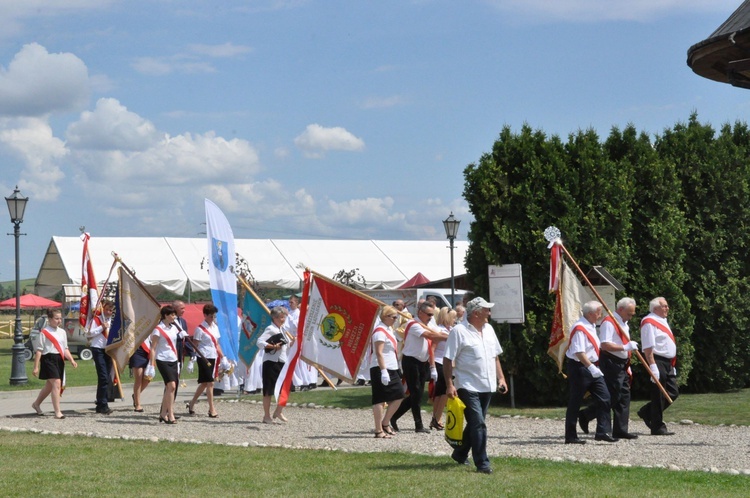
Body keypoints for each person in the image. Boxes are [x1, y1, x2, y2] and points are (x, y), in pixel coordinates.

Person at [443, 297, 506, 474]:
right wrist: (449, 384)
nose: (490, 313)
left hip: (487, 384)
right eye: (487, 310)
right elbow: (448, 359)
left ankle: (460, 453)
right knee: (478, 424)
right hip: (467, 385)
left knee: (475, 424)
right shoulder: (459, 331)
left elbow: (495, 356)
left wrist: (501, 378)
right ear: (477, 312)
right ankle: (482, 463)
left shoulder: (489, 329)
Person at [578, 297, 639, 439]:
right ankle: (587, 414)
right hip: (611, 362)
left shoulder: (624, 323)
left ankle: (620, 429)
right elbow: (604, 345)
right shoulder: (609, 322)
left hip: (622, 363)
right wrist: (625, 347)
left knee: (624, 396)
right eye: (629, 313)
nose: (631, 316)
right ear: (621, 309)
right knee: (613, 395)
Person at [390, 301, 448, 433]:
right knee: (415, 392)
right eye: (428, 314)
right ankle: (418, 425)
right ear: (420, 313)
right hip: (411, 361)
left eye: (432, 315)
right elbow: (431, 335)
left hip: (423, 362)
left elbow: (437, 332)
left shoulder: (428, 324)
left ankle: (393, 416)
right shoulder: (413, 324)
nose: (430, 317)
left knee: (418, 394)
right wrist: (449, 337)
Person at [564, 301, 617, 444]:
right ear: (590, 313)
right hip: (580, 367)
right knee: (575, 401)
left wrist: (594, 367)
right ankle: (570, 436)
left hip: (592, 366)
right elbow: (579, 352)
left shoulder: (591, 326)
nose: (600, 315)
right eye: (598, 312)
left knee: (605, 398)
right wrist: (591, 367)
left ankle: (602, 431)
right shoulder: (580, 328)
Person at [637, 297, 680, 436]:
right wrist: (652, 366)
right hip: (657, 360)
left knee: (673, 392)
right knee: (659, 394)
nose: (667, 308)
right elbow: (648, 346)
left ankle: (647, 412)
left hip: (668, 362)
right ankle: (657, 426)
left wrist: (672, 364)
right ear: (655, 308)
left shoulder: (662, 321)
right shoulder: (649, 322)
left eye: (667, 306)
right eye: (664, 306)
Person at [31, 309, 78, 419]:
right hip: (48, 359)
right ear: (50, 319)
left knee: (49, 386)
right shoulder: (44, 332)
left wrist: (71, 360)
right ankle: (57, 412)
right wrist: (36, 367)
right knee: (57, 383)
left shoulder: (62, 332)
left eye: (60, 318)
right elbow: (39, 350)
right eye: (56, 318)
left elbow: (65, 348)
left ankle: (36, 404)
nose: (59, 320)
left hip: (59, 359)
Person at [369, 306, 405, 438]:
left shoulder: (388, 329)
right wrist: (383, 371)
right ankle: (378, 430)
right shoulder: (379, 331)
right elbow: (378, 352)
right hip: (380, 367)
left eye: (396, 317)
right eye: (393, 317)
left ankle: (385, 422)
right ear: (385, 316)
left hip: (392, 367)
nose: (396, 320)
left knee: (399, 395)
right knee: (379, 398)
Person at [149, 305, 187, 424]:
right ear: (165, 315)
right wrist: (151, 364)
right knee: (171, 386)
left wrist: (182, 333)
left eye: (175, 315)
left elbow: (178, 341)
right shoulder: (158, 329)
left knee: (170, 388)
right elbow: (153, 348)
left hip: (173, 359)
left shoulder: (174, 328)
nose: (174, 317)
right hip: (162, 359)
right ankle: (170, 414)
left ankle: (162, 414)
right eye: (172, 315)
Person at [257, 306, 294, 424]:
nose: (282, 319)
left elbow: (287, 346)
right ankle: (266, 416)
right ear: (274, 318)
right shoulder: (270, 329)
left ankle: (278, 411)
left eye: (283, 317)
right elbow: (260, 342)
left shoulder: (283, 330)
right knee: (268, 390)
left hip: (282, 361)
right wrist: (273, 346)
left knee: (286, 387)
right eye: (280, 317)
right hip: (271, 362)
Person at [187, 303, 223, 418]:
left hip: (213, 356)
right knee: (210, 382)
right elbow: (195, 345)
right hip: (203, 357)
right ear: (205, 315)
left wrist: (223, 357)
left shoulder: (215, 327)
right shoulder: (199, 329)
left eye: (214, 316)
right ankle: (211, 409)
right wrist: (192, 359)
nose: (213, 318)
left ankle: (192, 403)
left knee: (204, 383)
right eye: (211, 316)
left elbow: (216, 344)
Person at [86, 300, 115, 415]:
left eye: (111, 310)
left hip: (108, 349)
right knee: (103, 376)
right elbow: (89, 333)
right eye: (107, 310)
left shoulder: (112, 320)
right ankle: (103, 404)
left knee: (106, 377)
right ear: (103, 309)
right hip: (98, 349)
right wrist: (101, 327)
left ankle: (100, 403)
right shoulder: (96, 319)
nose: (109, 312)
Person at [430, 306, 456, 430]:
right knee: (444, 391)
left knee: (441, 392)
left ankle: (436, 418)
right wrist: (432, 366)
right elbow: (433, 348)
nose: (454, 320)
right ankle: (437, 418)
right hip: (439, 361)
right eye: (453, 317)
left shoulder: (451, 329)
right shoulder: (439, 330)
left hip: (448, 362)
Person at [129, 335, 152, 412]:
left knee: (148, 378)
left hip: (148, 349)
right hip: (136, 349)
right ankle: (138, 404)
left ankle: (135, 396)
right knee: (138, 378)